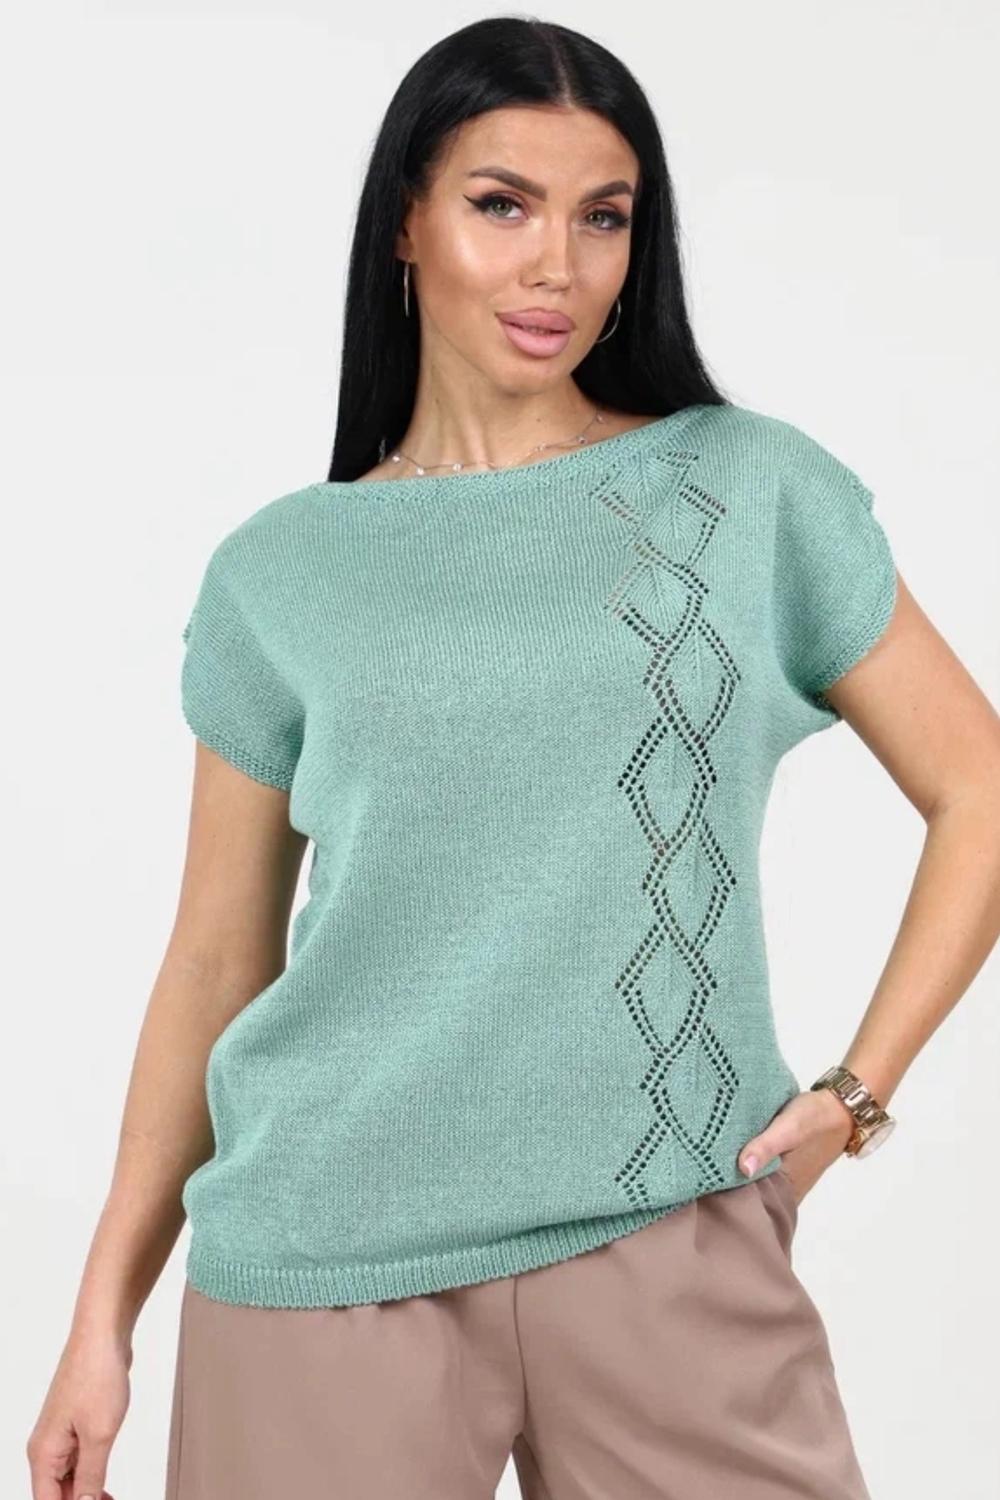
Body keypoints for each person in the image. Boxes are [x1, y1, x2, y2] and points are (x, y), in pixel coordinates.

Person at [27, 16, 1000, 1500]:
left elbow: (978, 786)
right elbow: (217, 960)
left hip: (673, 1241)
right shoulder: (281, 571)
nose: (558, 264)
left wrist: (858, 1096)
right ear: (405, 222)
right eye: (503, 205)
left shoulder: (746, 490)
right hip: (324, 1263)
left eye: (604, 217)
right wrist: (102, 1320)